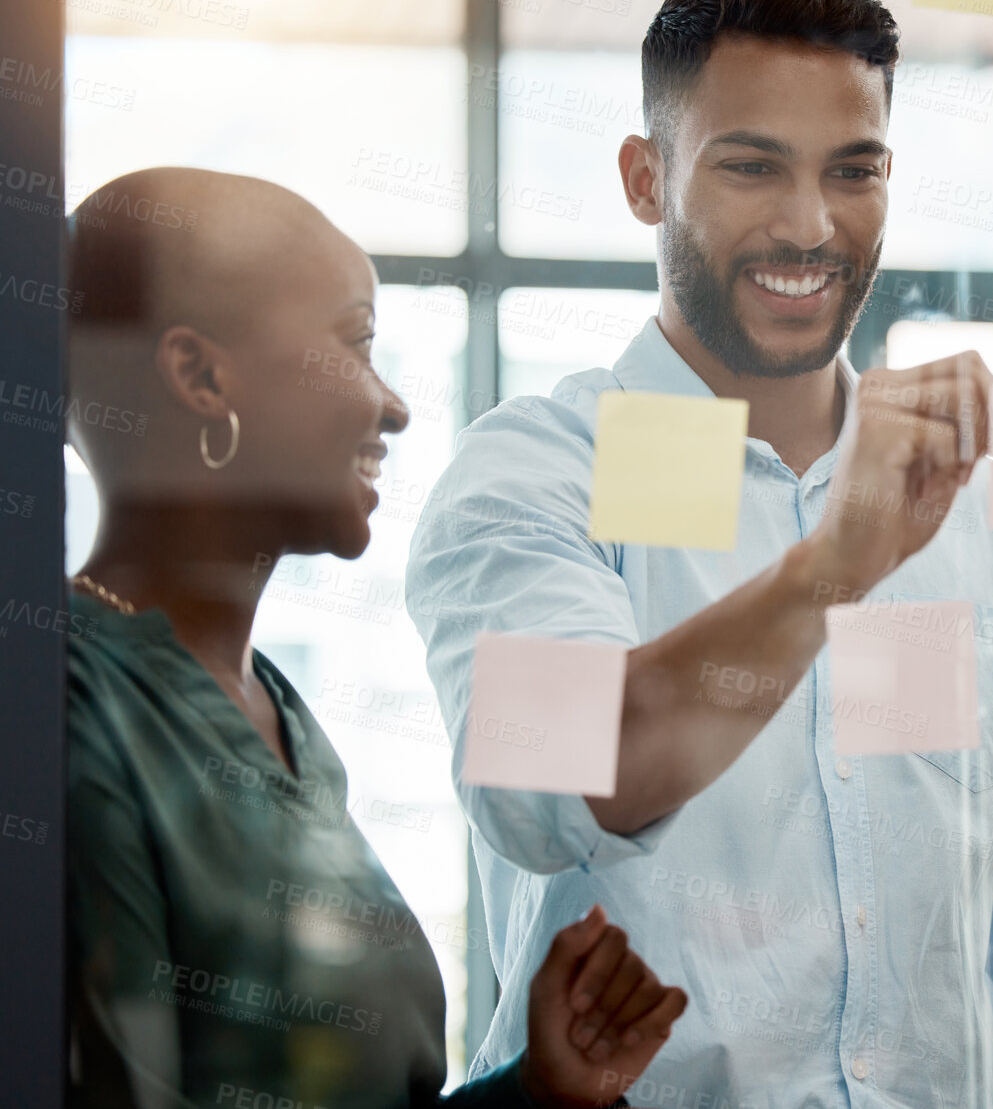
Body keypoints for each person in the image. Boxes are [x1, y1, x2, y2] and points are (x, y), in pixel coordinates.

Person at [405, 0, 993, 1108]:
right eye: (751, 167)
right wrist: (833, 570)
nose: (809, 225)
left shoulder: (988, 514)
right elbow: (563, 788)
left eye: (854, 171)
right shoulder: (538, 473)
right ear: (647, 179)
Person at [64, 166, 687, 1109]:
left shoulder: (275, 712)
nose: (391, 404)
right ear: (201, 375)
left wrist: (536, 1091)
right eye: (355, 345)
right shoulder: (67, 711)